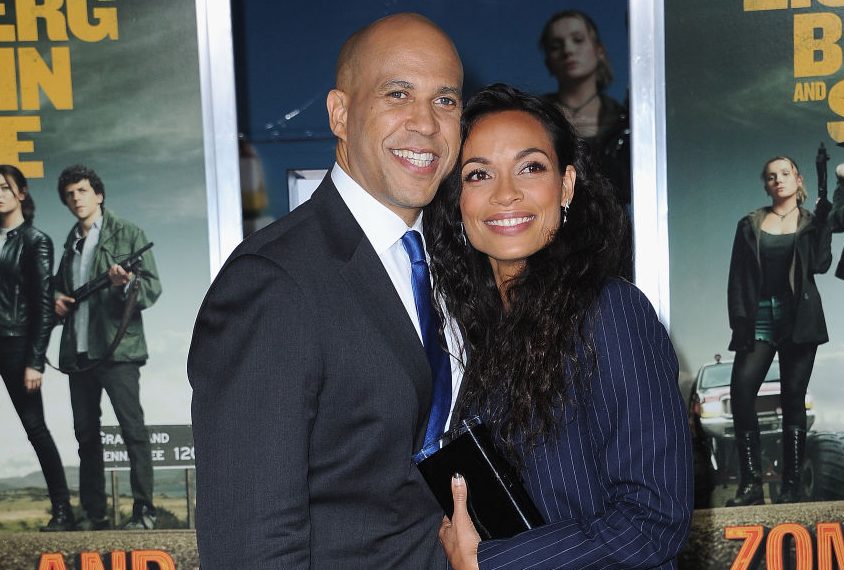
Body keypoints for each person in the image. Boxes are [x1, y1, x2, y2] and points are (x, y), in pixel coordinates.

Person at [188, 13, 463, 568]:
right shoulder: (272, 281)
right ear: (340, 113)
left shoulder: (452, 261)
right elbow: (251, 545)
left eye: (446, 100)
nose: (427, 124)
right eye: (398, 93)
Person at [424, 84, 692, 569]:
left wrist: (494, 562)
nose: (506, 194)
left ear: (566, 185)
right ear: (456, 199)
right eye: (479, 174)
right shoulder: (462, 330)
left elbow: (655, 519)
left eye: (531, 168)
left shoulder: (611, 311)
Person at [53, 164, 161, 529]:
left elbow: (151, 290)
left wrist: (124, 284)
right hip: (79, 354)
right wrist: (56, 300)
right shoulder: (71, 244)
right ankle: (94, 514)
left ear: (98, 194)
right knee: (86, 435)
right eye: (69, 194)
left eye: (82, 190)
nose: (75, 198)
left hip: (118, 352)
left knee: (133, 430)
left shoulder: (128, 234)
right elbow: (58, 291)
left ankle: (144, 509)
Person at [725, 156, 832, 506]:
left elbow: (821, 264)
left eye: (784, 174)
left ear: (797, 179)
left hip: (799, 319)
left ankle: (791, 487)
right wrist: (739, 322)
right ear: (766, 184)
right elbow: (737, 278)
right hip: (758, 317)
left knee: (792, 398)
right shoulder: (750, 224)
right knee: (742, 394)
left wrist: (824, 224)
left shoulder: (812, 222)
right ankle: (751, 486)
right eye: (771, 176)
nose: (778, 180)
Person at [0, 165, 74, 531]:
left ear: (21, 193)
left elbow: (44, 306)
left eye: (4, 187)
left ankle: (63, 511)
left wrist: (35, 361)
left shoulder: (35, 240)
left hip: (14, 344)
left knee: (34, 427)